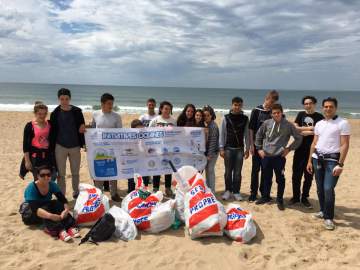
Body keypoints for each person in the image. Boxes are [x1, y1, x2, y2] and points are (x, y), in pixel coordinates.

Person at [306, 97, 350, 230]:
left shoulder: (342, 123)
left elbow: (345, 145)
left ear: (335, 108)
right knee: (320, 188)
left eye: (331, 106)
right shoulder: (319, 123)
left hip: (332, 161)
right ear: (322, 108)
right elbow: (314, 143)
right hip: (317, 159)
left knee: (328, 188)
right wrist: (309, 160)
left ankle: (329, 217)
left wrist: (340, 164)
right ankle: (323, 211)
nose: (328, 109)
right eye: (326, 106)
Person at [255, 103, 302, 210]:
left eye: (278, 113)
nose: (276, 115)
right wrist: (259, 149)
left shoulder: (289, 125)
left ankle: (279, 200)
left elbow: (298, 138)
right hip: (266, 156)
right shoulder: (266, 123)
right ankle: (265, 197)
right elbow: (258, 135)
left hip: (279, 157)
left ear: (282, 113)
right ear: (271, 114)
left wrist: (289, 148)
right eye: (274, 113)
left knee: (280, 179)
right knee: (266, 178)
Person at [23, 165, 80, 242]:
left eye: (48, 175)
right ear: (37, 176)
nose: (46, 177)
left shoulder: (51, 184)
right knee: (46, 210)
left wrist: (66, 210)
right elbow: (34, 209)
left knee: (57, 203)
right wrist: (51, 216)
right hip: (32, 213)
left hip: (45, 207)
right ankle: (59, 230)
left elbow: (62, 199)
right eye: (42, 175)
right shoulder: (32, 187)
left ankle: (70, 227)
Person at [50, 88, 86, 199]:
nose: (64, 101)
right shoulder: (55, 113)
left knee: (75, 172)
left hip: (75, 146)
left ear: (70, 99)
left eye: (66, 99)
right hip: (60, 146)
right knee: (61, 174)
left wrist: (83, 140)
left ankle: (76, 192)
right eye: (62, 99)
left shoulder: (77, 111)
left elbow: (82, 127)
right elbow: (52, 131)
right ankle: (62, 195)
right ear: (58, 99)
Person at [290, 96, 324, 208]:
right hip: (299, 149)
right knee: (296, 175)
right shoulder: (300, 114)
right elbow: (294, 128)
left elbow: (320, 131)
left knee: (308, 176)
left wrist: (305, 131)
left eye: (310, 103)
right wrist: (311, 130)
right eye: (305, 103)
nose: (308, 105)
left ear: (314, 104)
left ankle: (304, 198)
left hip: (313, 151)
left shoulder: (319, 117)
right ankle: (295, 197)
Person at [248, 90, 279, 202]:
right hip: (257, 146)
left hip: (269, 148)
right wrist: (251, 145)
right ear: (267, 98)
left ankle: (265, 194)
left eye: (274, 103)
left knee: (267, 171)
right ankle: (253, 193)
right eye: (271, 101)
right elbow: (251, 129)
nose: (271, 104)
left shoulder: (273, 113)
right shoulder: (256, 111)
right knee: (255, 170)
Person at [91, 93, 122, 202]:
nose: (111, 106)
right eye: (109, 103)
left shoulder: (117, 116)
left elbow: (120, 133)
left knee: (112, 171)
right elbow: (92, 131)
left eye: (112, 104)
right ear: (102, 104)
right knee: (99, 169)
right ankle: (99, 193)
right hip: (98, 149)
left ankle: (114, 193)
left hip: (112, 149)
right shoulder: (95, 114)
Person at [219, 97, 250, 201]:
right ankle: (228, 190)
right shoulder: (225, 118)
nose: (237, 107)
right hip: (228, 148)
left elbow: (246, 135)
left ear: (242, 106)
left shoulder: (245, 118)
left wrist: (247, 148)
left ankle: (236, 192)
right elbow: (222, 134)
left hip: (240, 149)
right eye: (235, 105)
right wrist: (221, 148)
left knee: (237, 172)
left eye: (239, 105)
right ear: (232, 105)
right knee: (228, 172)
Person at [20, 102, 56, 180]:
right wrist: (27, 161)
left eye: (44, 114)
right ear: (35, 113)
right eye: (40, 114)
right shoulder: (30, 126)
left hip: (48, 156)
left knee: (51, 178)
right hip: (35, 157)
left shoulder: (50, 124)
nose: (42, 116)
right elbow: (25, 145)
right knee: (39, 180)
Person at [149, 101, 177, 196]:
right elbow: (148, 133)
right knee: (157, 169)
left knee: (168, 169)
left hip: (169, 149)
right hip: (157, 149)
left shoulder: (173, 121)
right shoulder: (155, 120)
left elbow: (177, 135)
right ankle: (156, 188)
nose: (167, 110)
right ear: (161, 109)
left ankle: (168, 188)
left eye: (169, 109)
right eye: (165, 108)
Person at [127, 119, 150, 193]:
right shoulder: (128, 139)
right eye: (137, 129)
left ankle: (143, 195)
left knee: (145, 180)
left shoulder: (146, 138)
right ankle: (131, 194)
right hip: (132, 164)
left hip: (144, 165)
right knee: (132, 181)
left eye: (141, 129)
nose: (139, 131)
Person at [203, 105, 219, 193]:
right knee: (207, 171)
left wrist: (209, 155)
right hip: (207, 152)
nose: (206, 117)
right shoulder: (207, 124)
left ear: (211, 115)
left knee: (210, 170)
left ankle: (212, 190)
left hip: (213, 153)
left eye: (208, 115)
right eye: (204, 115)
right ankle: (208, 188)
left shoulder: (213, 126)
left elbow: (213, 142)